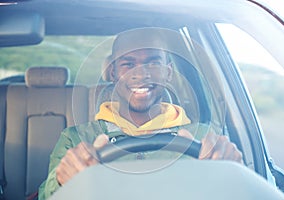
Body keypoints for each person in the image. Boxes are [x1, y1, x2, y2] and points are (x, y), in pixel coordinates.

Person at [38, 28, 243, 199]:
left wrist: (233, 174)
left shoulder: (204, 138)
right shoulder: (75, 140)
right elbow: (46, 197)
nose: (142, 74)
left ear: (168, 73)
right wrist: (62, 182)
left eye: (153, 63)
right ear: (113, 73)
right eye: (128, 64)